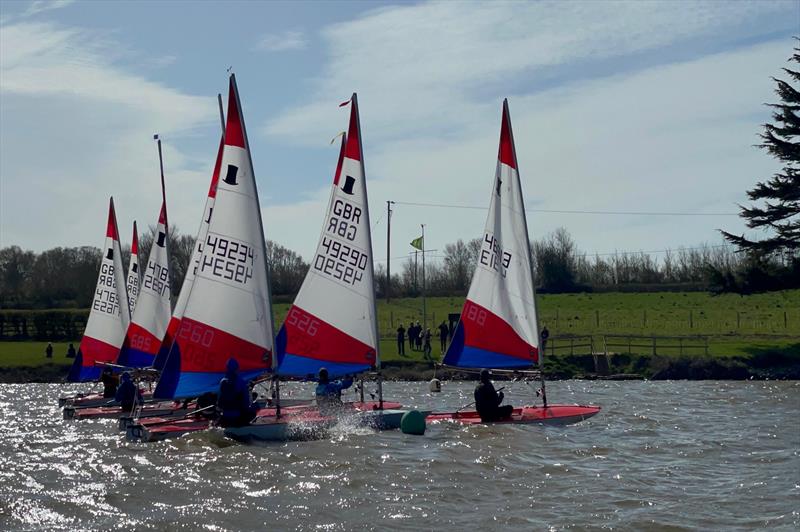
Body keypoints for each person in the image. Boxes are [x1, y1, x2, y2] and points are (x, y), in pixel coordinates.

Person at [217, 358, 256, 427]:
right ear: (237, 369)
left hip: (225, 419)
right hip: (238, 419)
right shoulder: (241, 382)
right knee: (255, 406)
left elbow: (219, 402)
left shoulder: (222, 382)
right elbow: (246, 404)